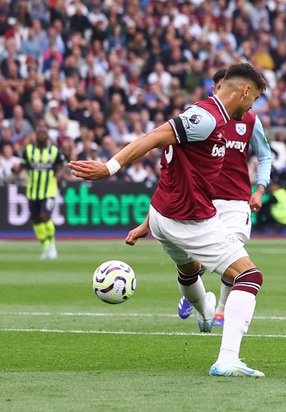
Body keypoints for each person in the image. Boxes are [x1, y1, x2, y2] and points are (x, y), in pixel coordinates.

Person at [69, 63, 270, 378]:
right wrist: (110, 167)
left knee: (189, 272)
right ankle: (228, 358)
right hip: (189, 220)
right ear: (244, 90)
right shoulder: (206, 117)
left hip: (163, 214)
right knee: (249, 277)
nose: (251, 107)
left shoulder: (208, 116)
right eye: (253, 98)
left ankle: (205, 314)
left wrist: (147, 223)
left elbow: (173, 171)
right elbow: (153, 137)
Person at [127, 68, 273, 328]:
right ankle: (201, 303)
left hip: (236, 200)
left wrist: (260, 188)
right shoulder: (201, 118)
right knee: (197, 267)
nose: (218, 92)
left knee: (235, 256)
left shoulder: (249, 121)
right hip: (202, 200)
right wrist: (147, 222)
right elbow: (172, 176)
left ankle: (220, 311)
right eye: (216, 87)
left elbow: (265, 155)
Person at [13, 128, 67, 259]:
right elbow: (21, 166)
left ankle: (52, 245)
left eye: (44, 134)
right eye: (39, 134)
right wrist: (15, 170)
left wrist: (58, 176)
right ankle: (45, 245)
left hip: (48, 190)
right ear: (36, 137)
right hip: (32, 191)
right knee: (36, 220)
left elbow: (64, 166)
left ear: (47, 137)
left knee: (45, 216)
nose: (41, 136)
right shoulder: (28, 151)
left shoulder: (54, 151)